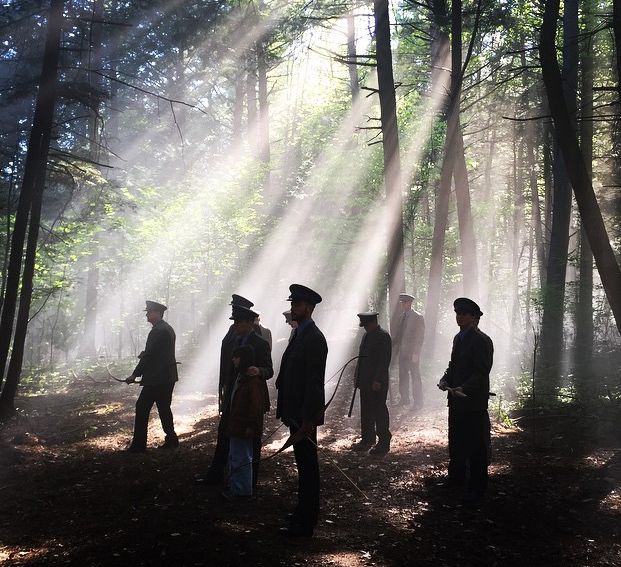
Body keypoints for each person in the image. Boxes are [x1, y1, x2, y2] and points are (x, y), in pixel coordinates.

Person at [200, 296, 273, 486]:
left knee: (251, 437)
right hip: (233, 395)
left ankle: (250, 481)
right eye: (234, 322)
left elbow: (269, 369)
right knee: (225, 432)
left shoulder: (260, 343)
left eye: (239, 322)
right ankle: (217, 475)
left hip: (251, 398)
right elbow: (227, 365)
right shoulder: (234, 339)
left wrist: (259, 371)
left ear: (249, 323)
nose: (236, 325)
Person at [276, 284, 328, 538]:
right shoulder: (299, 334)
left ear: (308, 307)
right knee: (303, 465)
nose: (293, 309)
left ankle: (307, 521)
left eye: (297, 305)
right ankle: (302, 512)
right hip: (295, 412)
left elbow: (314, 383)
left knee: (308, 468)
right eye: (292, 304)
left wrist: (308, 419)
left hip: (304, 415)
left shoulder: (314, 338)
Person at [438, 297, 494, 505]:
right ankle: (456, 478)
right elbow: (453, 365)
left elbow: (482, 372)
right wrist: (445, 379)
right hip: (456, 401)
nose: (459, 316)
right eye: (457, 313)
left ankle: (478, 488)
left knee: (476, 445)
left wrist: (464, 388)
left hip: (473, 402)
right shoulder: (458, 338)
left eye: (464, 313)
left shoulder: (482, 341)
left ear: (474, 318)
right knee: (457, 440)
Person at [125, 300, 179, 452]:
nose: (147, 314)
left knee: (142, 407)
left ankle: (138, 445)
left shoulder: (157, 330)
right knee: (164, 407)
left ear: (157, 313)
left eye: (149, 312)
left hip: (157, 378)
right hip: (167, 376)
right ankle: (172, 439)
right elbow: (158, 352)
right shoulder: (167, 328)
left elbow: (150, 355)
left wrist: (134, 374)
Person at [226, 344, 265, 498]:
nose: (233, 360)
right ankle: (236, 488)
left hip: (243, 426)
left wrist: (250, 425)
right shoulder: (241, 377)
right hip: (237, 425)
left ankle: (242, 491)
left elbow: (255, 406)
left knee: (242, 458)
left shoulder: (251, 380)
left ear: (243, 359)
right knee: (236, 456)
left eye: (236, 357)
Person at [351, 312, 392, 456]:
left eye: (366, 324)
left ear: (374, 322)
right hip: (365, 381)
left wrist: (378, 380)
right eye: (364, 325)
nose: (365, 327)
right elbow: (361, 357)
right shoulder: (366, 335)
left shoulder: (383, 336)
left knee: (379, 411)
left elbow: (384, 361)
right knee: (366, 411)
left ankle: (384, 442)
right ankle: (367, 439)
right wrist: (357, 375)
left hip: (377, 383)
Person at [392, 293, 425, 408]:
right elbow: (399, 335)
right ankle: (404, 399)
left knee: (415, 377)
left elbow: (420, 337)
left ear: (410, 303)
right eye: (402, 303)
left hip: (412, 353)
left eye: (405, 302)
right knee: (403, 376)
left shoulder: (418, 317)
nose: (403, 305)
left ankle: (418, 402)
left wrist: (416, 353)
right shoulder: (402, 317)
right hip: (403, 352)